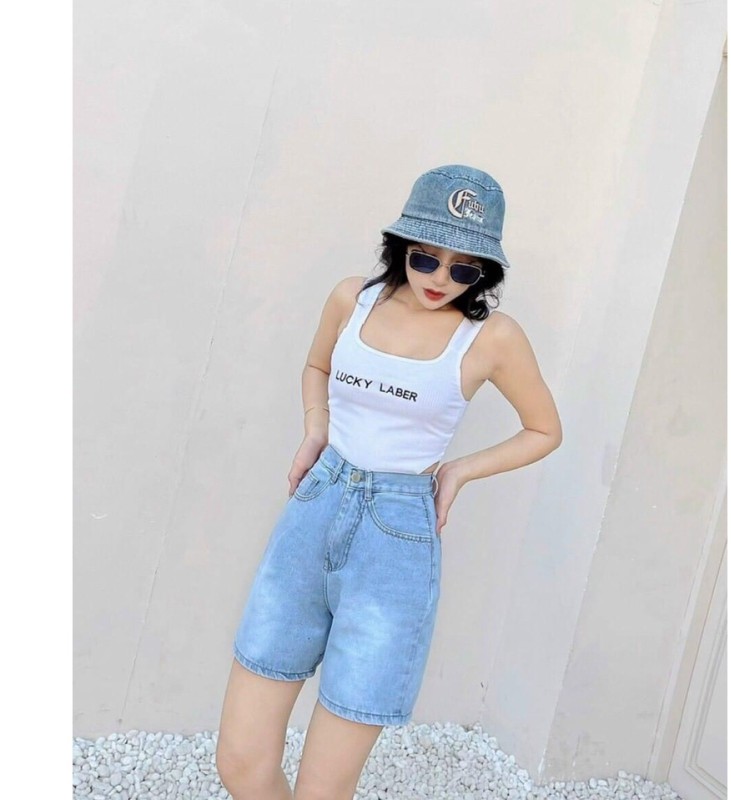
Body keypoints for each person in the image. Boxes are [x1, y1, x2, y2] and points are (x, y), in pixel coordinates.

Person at [215, 164, 563, 800]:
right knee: (240, 762)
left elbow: (544, 429)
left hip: (396, 537)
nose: (440, 279)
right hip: (315, 508)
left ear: (484, 273)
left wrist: (458, 470)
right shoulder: (352, 299)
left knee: (322, 791)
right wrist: (316, 428)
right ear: (402, 244)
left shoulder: (492, 337)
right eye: (427, 258)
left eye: (464, 270)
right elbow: (317, 365)